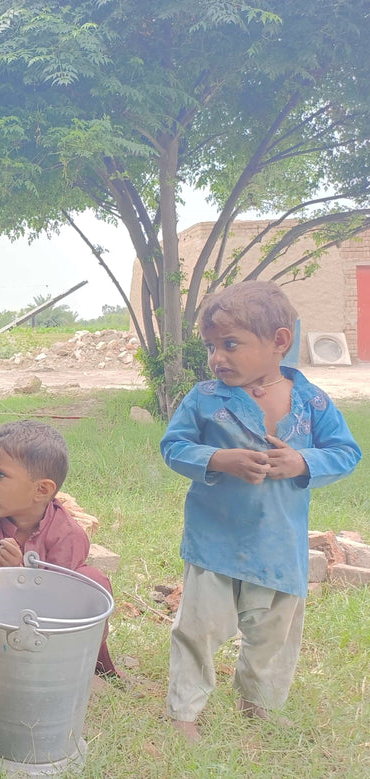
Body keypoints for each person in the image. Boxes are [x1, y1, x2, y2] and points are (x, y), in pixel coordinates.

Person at [160, 281, 360, 743]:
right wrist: (216, 459)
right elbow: (173, 447)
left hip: (279, 546)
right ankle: (185, 712)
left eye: (231, 344)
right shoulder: (206, 398)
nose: (217, 357)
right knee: (199, 630)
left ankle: (259, 704)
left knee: (274, 637)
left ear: (279, 341)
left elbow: (346, 454)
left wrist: (302, 461)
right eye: (211, 346)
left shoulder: (312, 403)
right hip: (215, 541)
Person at [0, 420, 119, 677]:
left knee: (93, 581)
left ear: (42, 490)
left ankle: (82, 667)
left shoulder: (68, 536)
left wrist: (17, 572)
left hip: (55, 636)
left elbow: (59, 601)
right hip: (3, 629)